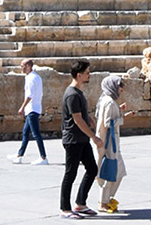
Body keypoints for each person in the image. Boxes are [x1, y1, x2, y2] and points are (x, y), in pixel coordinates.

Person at [59, 59, 102, 220]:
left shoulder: (79, 93)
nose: (89, 75)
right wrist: (94, 137)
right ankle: (65, 208)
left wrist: (89, 118)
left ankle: (80, 203)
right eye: (87, 73)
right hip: (73, 140)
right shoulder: (71, 94)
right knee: (70, 173)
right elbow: (76, 119)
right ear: (79, 75)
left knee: (92, 169)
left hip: (81, 139)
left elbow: (80, 115)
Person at [95, 74, 133, 213]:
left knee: (117, 171)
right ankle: (103, 202)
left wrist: (119, 111)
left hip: (109, 142)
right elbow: (108, 123)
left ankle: (106, 199)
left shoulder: (106, 99)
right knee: (110, 172)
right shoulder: (110, 102)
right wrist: (123, 118)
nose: (120, 90)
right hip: (109, 143)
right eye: (119, 88)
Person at [9, 58, 48, 165]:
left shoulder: (31, 78)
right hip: (35, 108)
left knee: (36, 134)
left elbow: (29, 95)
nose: (21, 68)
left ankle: (43, 157)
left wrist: (22, 107)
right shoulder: (36, 77)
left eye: (22, 66)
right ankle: (19, 155)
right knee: (25, 132)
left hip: (32, 109)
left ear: (28, 66)